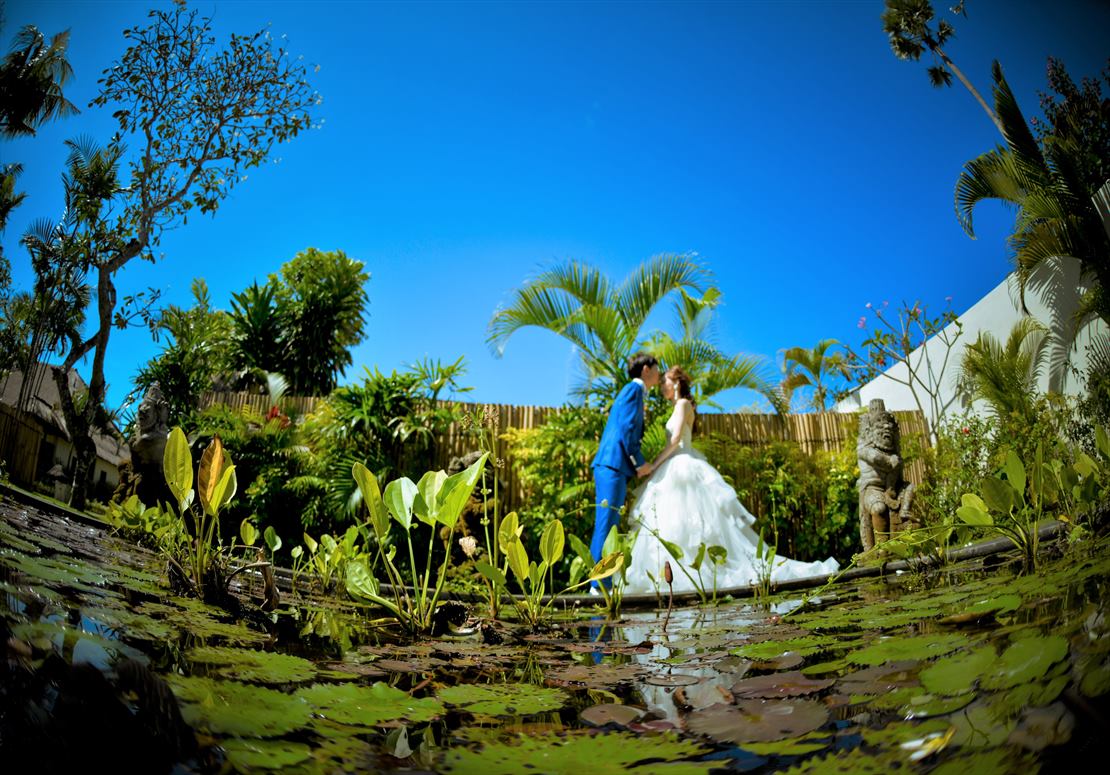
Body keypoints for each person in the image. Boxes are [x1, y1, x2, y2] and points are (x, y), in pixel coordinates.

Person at [622, 366, 838, 594]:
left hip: (683, 465)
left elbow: (675, 440)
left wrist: (653, 465)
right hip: (674, 465)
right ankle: (675, 573)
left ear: (675, 383)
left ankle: (697, 574)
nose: (662, 386)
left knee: (691, 523)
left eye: (665, 381)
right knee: (674, 523)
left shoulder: (684, 404)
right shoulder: (677, 407)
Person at [590, 353, 660, 581]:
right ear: (646, 369)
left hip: (615, 467)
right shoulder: (634, 390)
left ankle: (604, 581)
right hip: (612, 464)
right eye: (657, 369)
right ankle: (599, 583)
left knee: (609, 523)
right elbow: (627, 429)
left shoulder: (636, 392)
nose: (659, 374)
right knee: (606, 522)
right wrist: (639, 463)